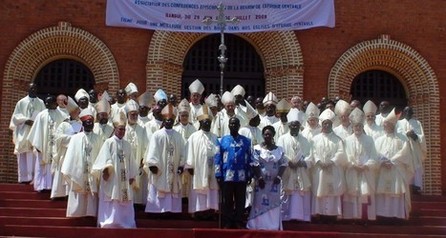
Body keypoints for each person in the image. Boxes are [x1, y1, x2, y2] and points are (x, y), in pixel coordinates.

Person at [92, 111, 137, 228]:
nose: (121, 131)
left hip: (124, 178)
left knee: (124, 199)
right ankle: (108, 222)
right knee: (111, 199)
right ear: (115, 129)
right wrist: (106, 169)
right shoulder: (109, 142)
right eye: (119, 129)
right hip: (112, 177)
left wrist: (132, 175)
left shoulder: (127, 144)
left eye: (123, 129)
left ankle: (125, 223)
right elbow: (104, 158)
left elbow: (131, 161)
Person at [144, 104, 185, 215]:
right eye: (167, 120)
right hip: (160, 170)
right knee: (158, 187)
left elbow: (183, 153)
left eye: (171, 120)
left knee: (173, 187)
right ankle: (156, 210)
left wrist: (181, 165)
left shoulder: (178, 136)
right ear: (163, 120)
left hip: (173, 169)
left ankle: (171, 211)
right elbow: (152, 151)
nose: (169, 122)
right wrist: (153, 165)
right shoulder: (157, 135)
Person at [61, 108, 102, 217]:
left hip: (92, 171)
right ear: (83, 123)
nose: (90, 124)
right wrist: (70, 170)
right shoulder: (75, 138)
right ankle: (76, 213)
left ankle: (91, 213)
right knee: (79, 189)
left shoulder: (98, 139)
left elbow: (100, 155)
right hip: (78, 171)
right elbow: (71, 156)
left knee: (91, 191)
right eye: (88, 122)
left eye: (92, 122)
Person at [247, 125, 287, 230]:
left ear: (273, 135)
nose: (267, 136)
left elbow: (283, 164)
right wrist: (259, 177)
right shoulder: (257, 149)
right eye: (265, 134)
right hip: (261, 182)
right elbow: (254, 164)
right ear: (263, 135)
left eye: (269, 134)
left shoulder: (279, 150)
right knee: (259, 203)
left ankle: (272, 225)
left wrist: (279, 176)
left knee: (273, 204)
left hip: (274, 183)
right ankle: (257, 225)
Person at [310, 109, 347, 223]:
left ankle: (332, 214)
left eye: (329, 123)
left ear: (332, 124)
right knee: (320, 190)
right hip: (320, 169)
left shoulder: (337, 139)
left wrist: (332, 161)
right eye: (324, 123)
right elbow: (313, 152)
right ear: (322, 124)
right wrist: (319, 161)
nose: (326, 125)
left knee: (332, 191)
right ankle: (319, 214)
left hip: (333, 169)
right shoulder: (315, 139)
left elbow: (341, 152)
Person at [375, 108, 412, 220]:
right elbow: (375, 153)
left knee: (395, 193)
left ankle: (396, 216)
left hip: (396, 170)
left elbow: (405, 153)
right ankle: (382, 216)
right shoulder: (379, 140)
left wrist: (392, 161)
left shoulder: (402, 139)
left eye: (387, 124)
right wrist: (382, 161)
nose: (385, 126)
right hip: (383, 169)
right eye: (384, 124)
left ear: (393, 125)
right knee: (383, 194)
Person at [215, 117, 252, 229]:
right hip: (227, 175)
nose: (233, 126)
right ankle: (228, 221)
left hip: (241, 175)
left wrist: (250, 173)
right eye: (231, 124)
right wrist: (218, 174)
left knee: (240, 200)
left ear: (239, 125)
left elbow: (250, 158)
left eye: (235, 124)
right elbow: (218, 158)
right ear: (228, 125)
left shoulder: (246, 141)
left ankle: (238, 220)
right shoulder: (222, 140)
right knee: (227, 200)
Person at [343, 108, 379, 222]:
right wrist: (353, 165)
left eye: (359, 126)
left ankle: (364, 218)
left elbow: (374, 155)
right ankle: (352, 217)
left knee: (364, 194)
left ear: (363, 127)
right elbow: (345, 155)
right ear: (352, 127)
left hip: (365, 171)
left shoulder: (369, 140)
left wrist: (366, 165)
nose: (357, 128)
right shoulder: (347, 140)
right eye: (355, 126)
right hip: (352, 170)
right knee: (353, 194)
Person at [185, 105, 220, 218]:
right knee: (199, 189)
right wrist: (189, 166)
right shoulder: (194, 137)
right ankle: (198, 211)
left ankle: (210, 211)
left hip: (212, 170)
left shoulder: (215, 137)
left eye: (209, 122)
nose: (207, 124)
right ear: (200, 123)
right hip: (198, 171)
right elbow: (189, 152)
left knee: (211, 189)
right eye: (205, 122)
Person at [277, 109, 312, 222]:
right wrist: (288, 162)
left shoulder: (305, 140)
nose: (294, 127)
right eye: (292, 125)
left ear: (299, 126)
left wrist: (303, 162)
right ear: (289, 125)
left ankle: (302, 217)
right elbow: (279, 153)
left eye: (297, 125)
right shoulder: (282, 139)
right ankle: (286, 217)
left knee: (300, 194)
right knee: (288, 193)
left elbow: (310, 155)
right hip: (288, 171)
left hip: (300, 172)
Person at [27, 94, 66, 192]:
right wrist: (37, 145)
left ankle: (54, 188)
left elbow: (65, 130)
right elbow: (36, 131)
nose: (47, 104)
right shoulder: (41, 115)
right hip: (43, 147)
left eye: (49, 102)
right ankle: (41, 186)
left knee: (55, 167)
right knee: (42, 166)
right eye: (46, 103)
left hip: (56, 148)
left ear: (55, 103)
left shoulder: (62, 115)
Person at [9, 82, 45, 183]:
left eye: (35, 88)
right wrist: (25, 120)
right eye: (31, 88)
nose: (33, 90)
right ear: (28, 89)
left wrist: (36, 122)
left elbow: (44, 117)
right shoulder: (21, 102)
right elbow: (16, 117)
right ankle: (23, 178)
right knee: (23, 156)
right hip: (23, 132)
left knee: (33, 156)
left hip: (35, 133)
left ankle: (33, 179)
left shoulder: (41, 103)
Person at [51, 96, 82, 200]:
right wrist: (74, 138)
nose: (78, 112)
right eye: (76, 111)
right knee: (63, 171)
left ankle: (70, 194)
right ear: (71, 112)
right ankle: (59, 194)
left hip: (76, 154)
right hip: (65, 153)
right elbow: (58, 138)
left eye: (78, 111)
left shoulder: (81, 124)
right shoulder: (64, 125)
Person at [124, 99, 149, 206]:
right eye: (132, 114)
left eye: (136, 114)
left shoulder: (142, 129)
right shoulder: (122, 129)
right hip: (125, 163)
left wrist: (143, 159)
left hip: (138, 160)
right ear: (127, 114)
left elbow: (146, 146)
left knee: (139, 182)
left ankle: (137, 204)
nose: (134, 116)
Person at [397, 106, 427, 194]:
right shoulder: (398, 123)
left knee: (415, 167)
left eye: (410, 112)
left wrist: (414, 135)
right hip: (403, 150)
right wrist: (407, 134)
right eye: (406, 111)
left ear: (412, 113)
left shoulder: (417, 123)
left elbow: (421, 136)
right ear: (403, 112)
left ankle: (415, 188)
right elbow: (397, 136)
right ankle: (404, 187)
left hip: (414, 150)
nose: (408, 113)